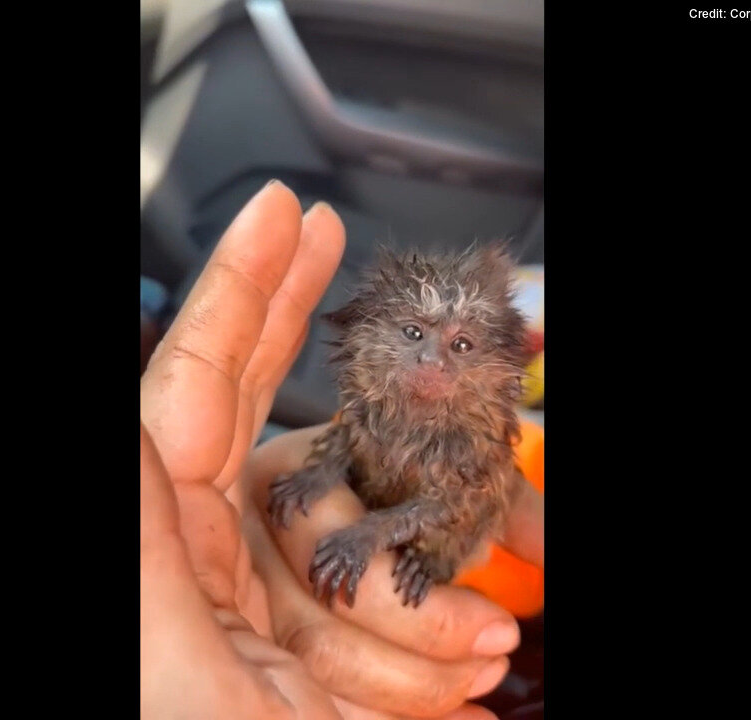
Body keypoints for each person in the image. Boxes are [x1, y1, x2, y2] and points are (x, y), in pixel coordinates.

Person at [140, 180, 545, 719]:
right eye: (413, 332)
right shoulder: (370, 399)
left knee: (451, 534)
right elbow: (347, 438)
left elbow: (446, 506)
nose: (432, 361)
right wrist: (317, 476)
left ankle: (420, 565)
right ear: (371, 332)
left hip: (438, 536)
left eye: (461, 346)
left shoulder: (476, 434)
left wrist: (365, 535)